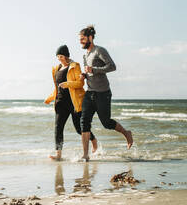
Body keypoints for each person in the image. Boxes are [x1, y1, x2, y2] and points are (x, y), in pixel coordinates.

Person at [79, 26, 133, 161]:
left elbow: (112, 66)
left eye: (83, 39)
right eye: (80, 39)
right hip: (89, 92)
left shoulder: (99, 51)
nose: (81, 42)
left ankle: (127, 133)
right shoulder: (85, 55)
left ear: (90, 38)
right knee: (84, 122)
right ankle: (85, 155)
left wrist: (94, 69)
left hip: (103, 93)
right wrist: (84, 75)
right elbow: (89, 71)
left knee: (106, 123)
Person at [44, 45, 97, 160]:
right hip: (60, 103)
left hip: (73, 103)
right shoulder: (56, 69)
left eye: (61, 56)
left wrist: (68, 84)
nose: (59, 58)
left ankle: (93, 139)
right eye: (58, 56)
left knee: (79, 128)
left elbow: (80, 83)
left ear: (67, 56)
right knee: (58, 128)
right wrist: (49, 98)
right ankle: (58, 154)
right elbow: (56, 88)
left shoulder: (74, 66)